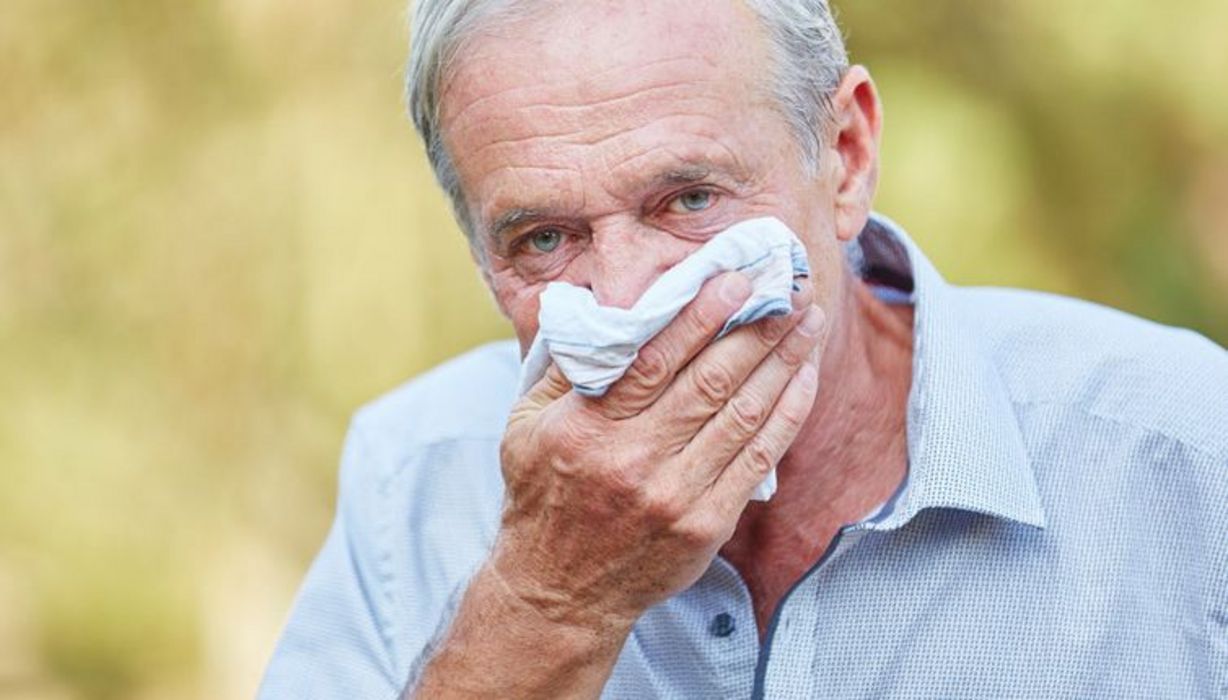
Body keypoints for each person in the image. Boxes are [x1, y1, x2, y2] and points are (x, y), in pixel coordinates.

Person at [260, 1, 1228, 697]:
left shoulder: (1182, 451)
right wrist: (543, 605)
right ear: (478, 251)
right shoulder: (410, 486)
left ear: (844, 157)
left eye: (688, 200)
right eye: (544, 239)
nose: (629, 294)